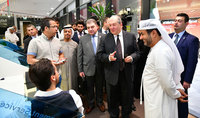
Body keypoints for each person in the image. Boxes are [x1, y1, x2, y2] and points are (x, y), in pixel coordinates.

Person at [138, 19, 188, 118]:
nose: (140, 38)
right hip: (155, 99)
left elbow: (167, 82)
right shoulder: (157, 48)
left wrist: (176, 94)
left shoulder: (161, 51)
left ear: (153, 33)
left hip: (160, 104)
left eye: (142, 34)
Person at [97, 15, 140, 118]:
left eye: (114, 25)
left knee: (127, 98)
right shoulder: (104, 38)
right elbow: (99, 55)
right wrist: (108, 58)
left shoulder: (130, 36)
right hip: (111, 74)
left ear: (120, 24)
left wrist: (132, 57)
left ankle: (126, 114)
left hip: (126, 73)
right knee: (112, 99)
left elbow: (137, 52)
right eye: (110, 25)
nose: (111, 27)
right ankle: (113, 115)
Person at [169, 13, 199, 118]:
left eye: (180, 21)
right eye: (175, 20)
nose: (176, 23)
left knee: (181, 102)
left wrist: (188, 80)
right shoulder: (169, 37)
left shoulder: (192, 40)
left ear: (186, 23)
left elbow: (192, 61)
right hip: (168, 76)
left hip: (182, 78)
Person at [27, 17, 65, 87]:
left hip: (57, 76)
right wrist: (48, 63)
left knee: (57, 96)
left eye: (57, 26)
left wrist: (61, 59)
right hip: (43, 78)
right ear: (46, 28)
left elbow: (61, 53)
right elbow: (29, 60)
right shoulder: (35, 42)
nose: (56, 29)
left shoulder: (57, 41)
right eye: (54, 27)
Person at [77, 19, 105, 114]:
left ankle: (100, 102)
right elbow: (79, 55)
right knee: (89, 88)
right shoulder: (83, 39)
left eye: (92, 27)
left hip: (100, 68)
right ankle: (91, 104)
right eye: (88, 28)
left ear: (97, 26)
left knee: (100, 86)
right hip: (87, 68)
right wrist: (80, 69)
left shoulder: (104, 37)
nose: (90, 29)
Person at [60, 24, 79, 91]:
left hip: (73, 68)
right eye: (65, 31)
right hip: (62, 69)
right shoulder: (59, 43)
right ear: (63, 33)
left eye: (69, 32)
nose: (67, 33)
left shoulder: (75, 44)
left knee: (73, 84)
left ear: (71, 33)